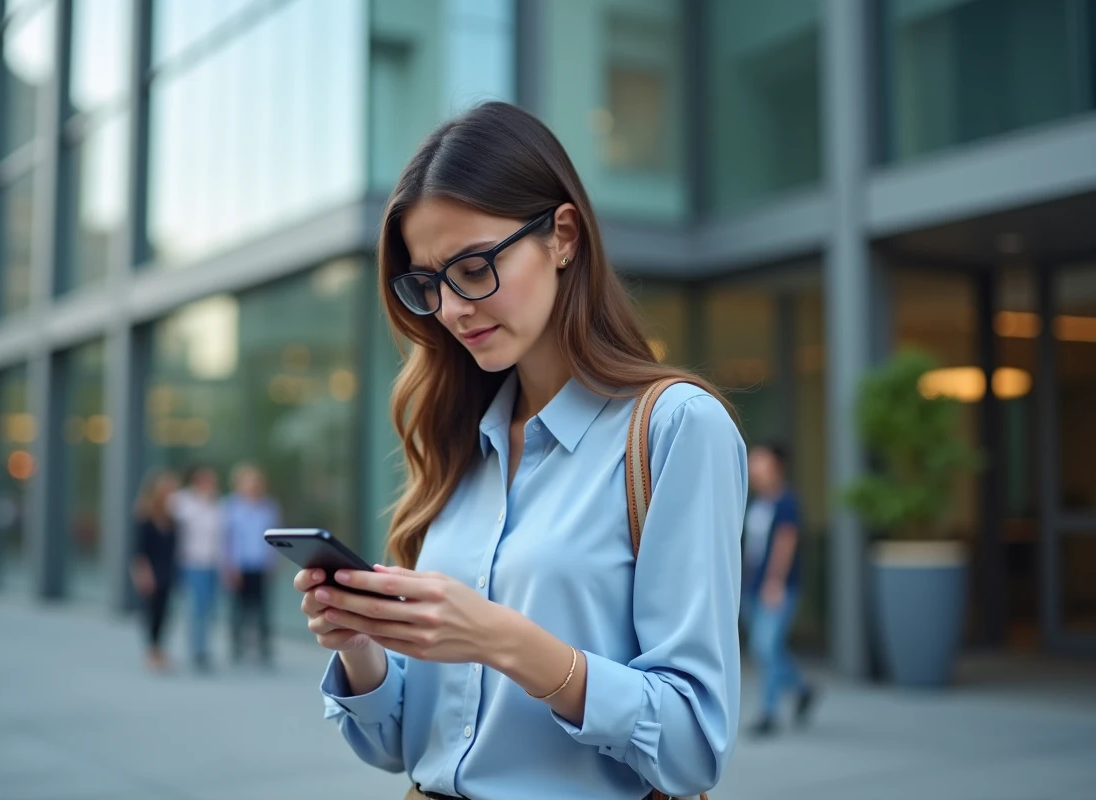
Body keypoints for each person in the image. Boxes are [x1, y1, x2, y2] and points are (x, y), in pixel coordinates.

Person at [292, 101, 747, 800]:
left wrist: (503, 640)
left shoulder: (676, 430)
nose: (451, 309)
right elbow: (402, 746)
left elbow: (691, 747)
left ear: (562, 235)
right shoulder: (462, 442)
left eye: (473, 267)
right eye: (429, 284)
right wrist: (360, 645)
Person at [742, 442, 816, 737]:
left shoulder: (787, 503)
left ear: (776, 466)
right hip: (751, 586)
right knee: (769, 648)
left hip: (776, 588)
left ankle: (769, 714)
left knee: (764, 647)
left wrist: (775, 582)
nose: (752, 467)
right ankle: (802, 688)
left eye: (758, 461)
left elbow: (785, 544)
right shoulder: (758, 504)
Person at [222, 462, 281, 667]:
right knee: (238, 608)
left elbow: (274, 538)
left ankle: (264, 647)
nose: (253, 486)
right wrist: (229, 565)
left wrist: (273, 563)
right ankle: (237, 646)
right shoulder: (231, 507)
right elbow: (227, 539)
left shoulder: (268, 507)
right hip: (239, 565)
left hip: (260, 565)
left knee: (262, 609)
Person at [170, 465, 224, 673]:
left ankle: (204, 647)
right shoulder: (182, 502)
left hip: (212, 563)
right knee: (196, 607)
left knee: (209, 607)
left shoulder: (217, 504)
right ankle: (196, 649)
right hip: (192, 562)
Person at [130, 468, 181, 673]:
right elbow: (139, 549)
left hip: (168, 569)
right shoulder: (144, 516)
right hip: (150, 570)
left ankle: (159, 649)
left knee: (165, 611)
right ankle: (151, 650)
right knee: (151, 611)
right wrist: (142, 573)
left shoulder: (172, 518)